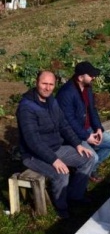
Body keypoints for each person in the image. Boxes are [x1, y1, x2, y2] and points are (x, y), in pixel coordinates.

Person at [16, 71, 94, 219]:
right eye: (44, 83)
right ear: (36, 83)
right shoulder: (26, 108)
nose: (47, 88)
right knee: (61, 173)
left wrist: (77, 144)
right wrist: (54, 160)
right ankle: (61, 207)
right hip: (34, 155)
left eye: (51, 84)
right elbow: (33, 141)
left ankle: (75, 195)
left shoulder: (52, 101)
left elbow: (64, 125)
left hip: (56, 148)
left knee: (88, 158)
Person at [56, 61, 110, 182]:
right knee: (93, 157)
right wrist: (86, 136)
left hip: (88, 129)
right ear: (80, 77)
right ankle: (80, 176)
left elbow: (92, 109)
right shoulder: (66, 94)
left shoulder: (87, 87)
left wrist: (98, 128)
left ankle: (91, 169)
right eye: (91, 75)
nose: (94, 77)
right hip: (75, 134)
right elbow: (69, 121)